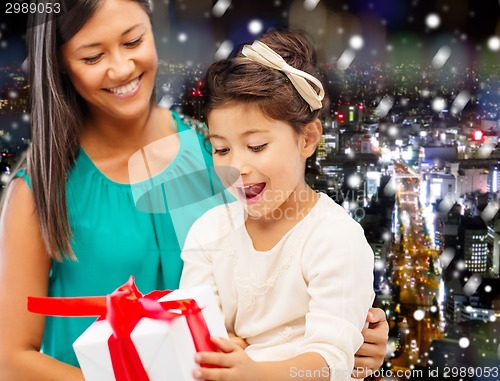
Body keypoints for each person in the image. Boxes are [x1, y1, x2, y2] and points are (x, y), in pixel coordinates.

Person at [0, 1, 388, 380]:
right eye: (92, 57)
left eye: (133, 42)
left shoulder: (215, 150)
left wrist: (356, 331)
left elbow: (298, 266)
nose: (121, 68)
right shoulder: (40, 189)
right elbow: (11, 360)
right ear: (60, 65)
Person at [179, 29, 381, 381]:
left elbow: (332, 362)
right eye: (221, 149)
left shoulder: (334, 238)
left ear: (307, 139)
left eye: (256, 146)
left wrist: (253, 372)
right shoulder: (209, 231)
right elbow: (192, 334)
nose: (237, 167)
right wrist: (219, 346)